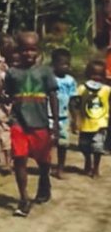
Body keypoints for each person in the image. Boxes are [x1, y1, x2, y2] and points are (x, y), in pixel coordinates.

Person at [4, 32, 59, 217]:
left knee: (43, 161)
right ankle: (24, 198)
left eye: (32, 49)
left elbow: (53, 97)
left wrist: (56, 125)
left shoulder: (45, 72)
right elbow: (9, 95)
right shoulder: (12, 73)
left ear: (38, 51)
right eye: (24, 50)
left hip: (41, 123)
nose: (28, 53)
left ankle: (44, 180)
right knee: (19, 160)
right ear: (18, 51)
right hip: (19, 123)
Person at [71, 59, 110, 178]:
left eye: (99, 75)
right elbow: (74, 103)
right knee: (84, 146)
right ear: (88, 74)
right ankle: (88, 161)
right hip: (85, 123)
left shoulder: (107, 90)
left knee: (97, 147)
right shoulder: (82, 89)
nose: (96, 77)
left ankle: (96, 168)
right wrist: (74, 118)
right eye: (93, 74)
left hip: (100, 124)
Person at [50, 48, 78, 179]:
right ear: (54, 64)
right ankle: (47, 166)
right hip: (48, 116)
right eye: (62, 64)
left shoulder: (70, 81)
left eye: (67, 64)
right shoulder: (49, 78)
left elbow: (73, 101)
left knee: (63, 144)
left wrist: (74, 119)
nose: (65, 67)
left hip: (64, 117)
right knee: (48, 144)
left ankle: (60, 168)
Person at [0, 35, 16, 174]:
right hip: (3, 106)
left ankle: (14, 160)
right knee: (4, 134)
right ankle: (7, 162)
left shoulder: (18, 66)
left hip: (17, 106)